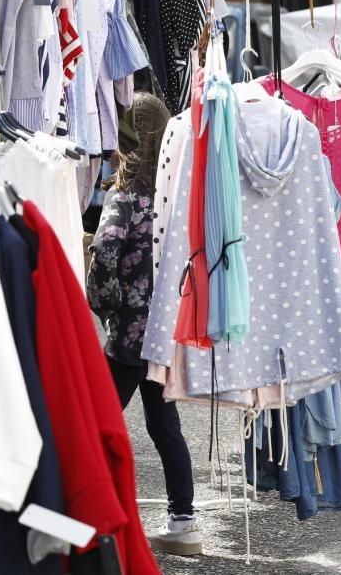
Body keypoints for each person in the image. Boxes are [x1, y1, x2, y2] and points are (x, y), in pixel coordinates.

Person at [87, 92, 203, 556]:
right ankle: (183, 522)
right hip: (165, 331)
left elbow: (105, 250)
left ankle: (92, 513)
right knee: (162, 423)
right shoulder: (174, 191)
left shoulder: (127, 194)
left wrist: (105, 304)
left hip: (129, 334)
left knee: (97, 420)